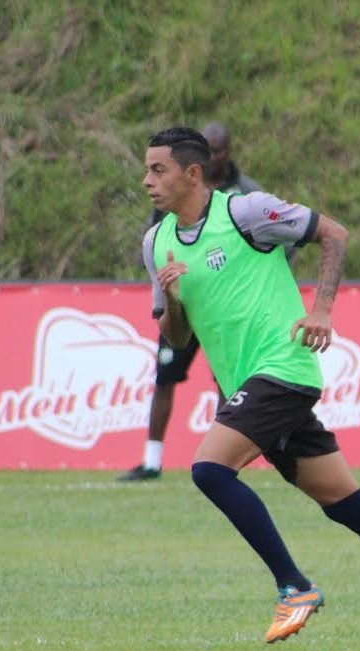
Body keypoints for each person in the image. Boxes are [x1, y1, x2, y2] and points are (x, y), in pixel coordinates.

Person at [140, 125, 360, 651]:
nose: (147, 181)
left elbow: (335, 234)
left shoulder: (245, 214)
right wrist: (174, 298)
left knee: (209, 469)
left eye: (157, 169)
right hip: (245, 384)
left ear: (192, 173)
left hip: (283, 368)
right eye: (146, 170)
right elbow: (177, 335)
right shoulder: (156, 242)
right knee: (345, 503)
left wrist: (321, 308)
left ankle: (293, 585)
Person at [120, 121, 290, 481]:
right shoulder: (174, 190)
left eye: (220, 149)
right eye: (209, 148)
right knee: (164, 376)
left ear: (227, 151)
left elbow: (281, 245)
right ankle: (152, 460)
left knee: (227, 381)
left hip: (226, 308)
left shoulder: (245, 196)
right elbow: (157, 238)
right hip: (185, 299)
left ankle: (224, 459)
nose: (215, 155)